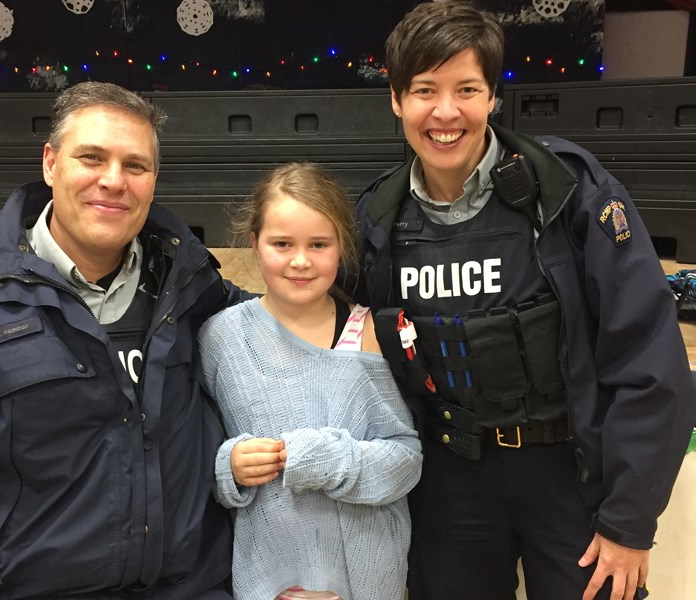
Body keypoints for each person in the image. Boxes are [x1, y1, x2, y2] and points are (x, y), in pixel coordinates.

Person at [348, 2, 696, 600]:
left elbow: (650, 360)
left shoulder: (567, 191)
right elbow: (338, 348)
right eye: (425, 90)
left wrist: (629, 521)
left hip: (571, 478)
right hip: (448, 483)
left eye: (467, 89)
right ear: (397, 99)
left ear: (492, 97)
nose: (445, 112)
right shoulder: (378, 218)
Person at [0, 81, 245, 599]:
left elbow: (288, 321)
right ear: (50, 163)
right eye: (92, 157)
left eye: (135, 166)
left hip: (189, 586)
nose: (113, 181)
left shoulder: (192, 284)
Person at [198, 162, 423, 600]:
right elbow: (191, 456)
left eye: (319, 244)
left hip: (368, 572)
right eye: (282, 243)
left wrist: (325, 459)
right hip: (273, 575)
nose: (300, 260)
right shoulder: (220, 338)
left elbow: (406, 459)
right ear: (254, 243)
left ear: (341, 247)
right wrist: (229, 468)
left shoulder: (371, 334)